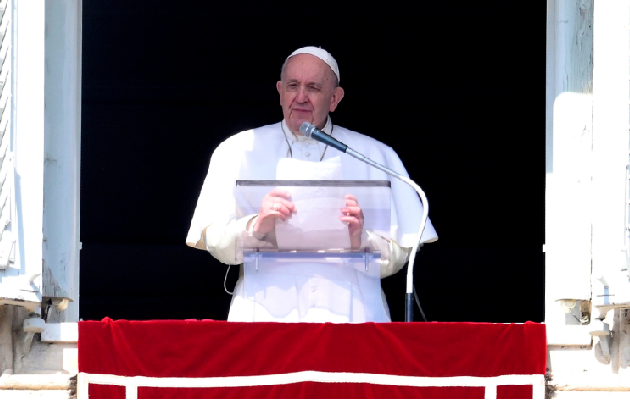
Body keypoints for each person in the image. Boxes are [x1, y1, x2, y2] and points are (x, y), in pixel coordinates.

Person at [186, 47, 438, 323]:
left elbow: (397, 259)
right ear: (280, 91)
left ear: (334, 98)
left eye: (313, 88)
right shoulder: (237, 151)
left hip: (352, 318)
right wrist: (256, 226)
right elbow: (214, 241)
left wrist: (361, 239)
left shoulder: (374, 156)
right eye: (293, 86)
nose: (301, 97)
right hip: (265, 318)